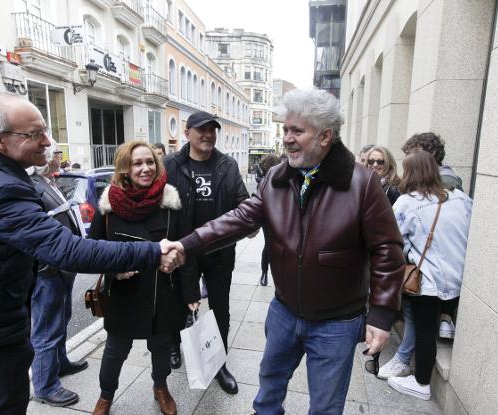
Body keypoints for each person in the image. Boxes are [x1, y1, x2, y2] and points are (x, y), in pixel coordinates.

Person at [0, 92, 184, 415]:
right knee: (4, 404)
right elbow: (67, 250)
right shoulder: (0, 189)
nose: (48, 141)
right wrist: (153, 251)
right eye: (34, 134)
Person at [175, 88, 405, 414]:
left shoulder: (363, 184)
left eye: (297, 130)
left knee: (325, 406)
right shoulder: (275, 178)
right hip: (283, 313)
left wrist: (381, 314)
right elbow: (239, 219)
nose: (287, 138)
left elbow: (387, 249)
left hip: (336, 324)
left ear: (325, 136)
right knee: (267, 393)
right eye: (285, 130)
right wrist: (188, 244)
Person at [89, 141, 199, 415]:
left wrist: (191, 294)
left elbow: (187, 251)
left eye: (150, 162)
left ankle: (160, 387)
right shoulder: (108, 205)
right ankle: (105, 396)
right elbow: (92, 250)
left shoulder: (170, 202)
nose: (145, 168)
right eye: (137, 163)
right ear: (125, 168)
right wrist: (114, 269)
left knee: (161, 347)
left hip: (163, 292)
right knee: (115, 350)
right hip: (123, 294)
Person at [164, 111, 249, 394]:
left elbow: (243, 204)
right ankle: (174, 346)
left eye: (212, 130)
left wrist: (251, 223)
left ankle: (219, 363)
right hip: (182, 250)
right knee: (179, 302)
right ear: (187, 133)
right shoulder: (171, 165)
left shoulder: (227, 165)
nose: (208, 135)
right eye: (201, 130)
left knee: (220, 309)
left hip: (219, 250)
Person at [387, 150, 472, 401]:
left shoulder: (407, 202)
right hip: (458, 279)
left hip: (428, 280)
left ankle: (422, 382)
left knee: (425, 330)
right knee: (432, 326)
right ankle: (447, 322)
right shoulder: (461, 199)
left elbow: (393, 241)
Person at [28, 139, 87, 407]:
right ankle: (45, 385)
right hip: (48, 270)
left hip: (63, 267)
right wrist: (45, 265)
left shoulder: (51, 182)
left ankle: (61, 363)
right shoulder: (32, 185)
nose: (59, 157)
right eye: (55, 154)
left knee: (63, 318)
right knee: (46, 329)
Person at [401, 131, 463, 338]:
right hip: (440, 269)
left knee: (422, 329)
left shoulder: (445, 182)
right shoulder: (451, 187)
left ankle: (445, 318)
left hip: (433, 270)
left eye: (415, 154)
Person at [255, 154, 281, 286]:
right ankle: (264, 273)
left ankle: (273, 274)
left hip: (281, 219)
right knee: (269, 244)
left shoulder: (283, 180)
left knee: (277, 246)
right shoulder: (262, 183)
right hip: (268, 219)